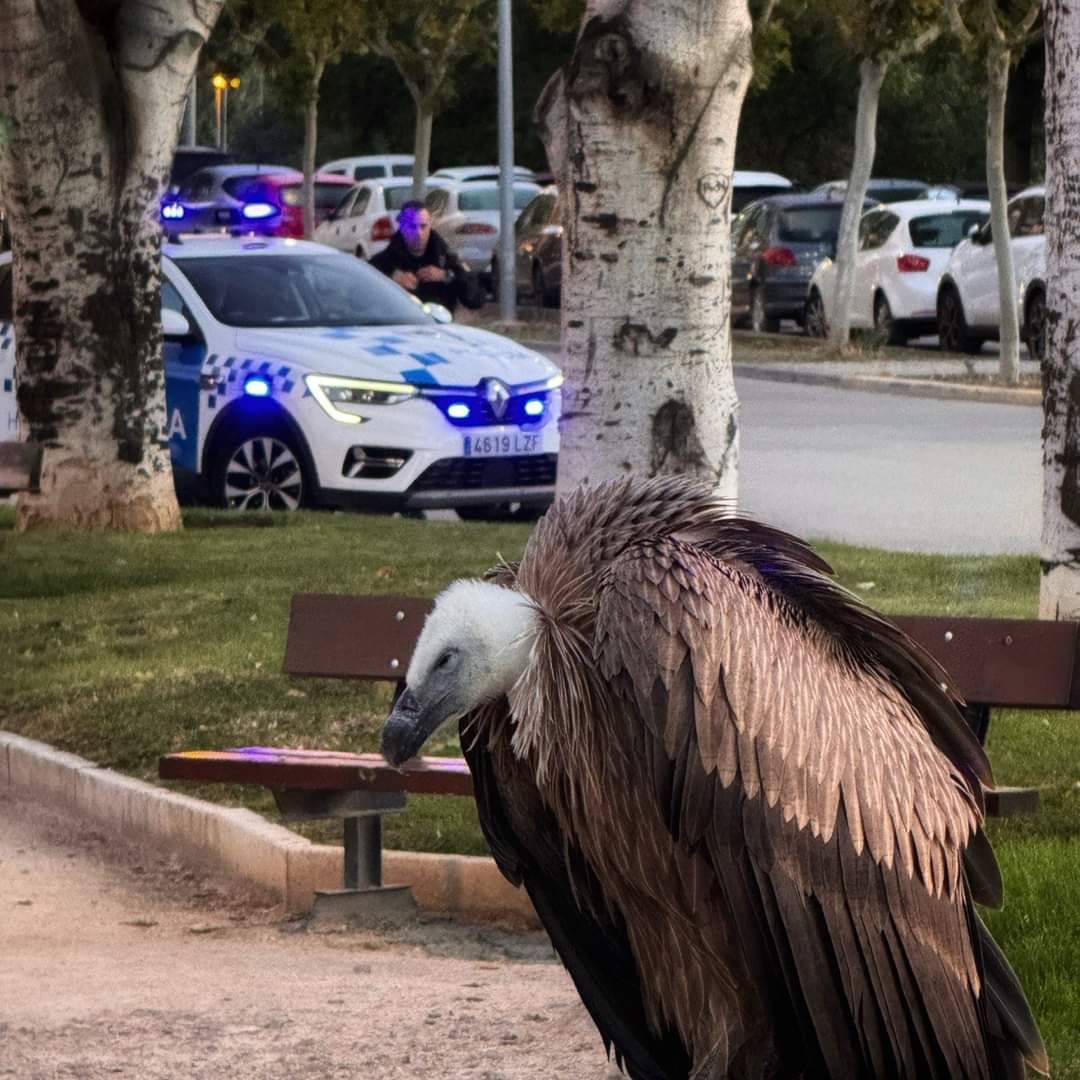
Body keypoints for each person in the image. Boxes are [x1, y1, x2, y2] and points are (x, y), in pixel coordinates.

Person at [369, 200, 482, 314]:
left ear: (430, 226)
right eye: (412, 226)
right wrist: (389, 280)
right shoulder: (383, 262)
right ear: (402, 228)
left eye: (423, 226)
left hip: (437, 326)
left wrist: (447, 276)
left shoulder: (447, 259)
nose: (418, 233)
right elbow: (361, 298)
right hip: (399, 326)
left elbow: (475, 300)